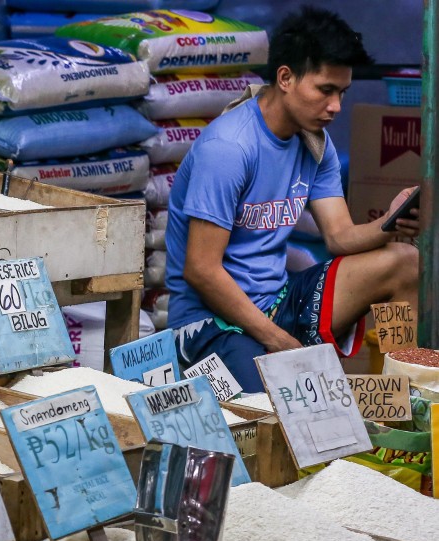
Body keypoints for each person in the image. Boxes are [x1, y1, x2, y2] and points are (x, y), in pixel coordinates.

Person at [164, 6, 421, 392]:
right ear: (285, 77)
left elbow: (339, 238)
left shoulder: (315, 143)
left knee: (405, 262)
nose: (336, 106)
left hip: (280, 301)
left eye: (342, 93)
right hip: (210, 323)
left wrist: (390, 223)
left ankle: (404, 404)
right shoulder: (230, 148)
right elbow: (201, 270)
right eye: (325, 90)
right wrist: (278, 340)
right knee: (278, 410)